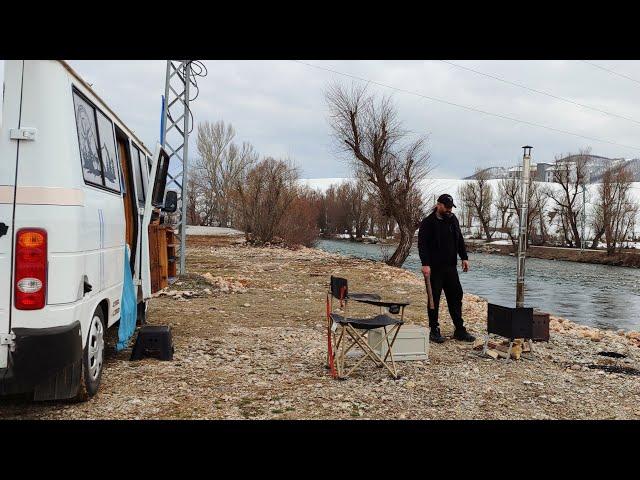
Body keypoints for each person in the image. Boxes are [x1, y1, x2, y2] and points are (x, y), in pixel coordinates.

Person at [418, 194, 476, 343]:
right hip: (434, 268)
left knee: (456, 296)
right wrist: (425, 264)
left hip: (451, 267)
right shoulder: (428, 223)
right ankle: (434, 329)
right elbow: (422, 245)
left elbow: (459, 239)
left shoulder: (453, 220)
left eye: (451, 207)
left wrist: (464, 257)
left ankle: (459, 330)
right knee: (434, 299)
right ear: (439, 205)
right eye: (447, 207)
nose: (449, 210)